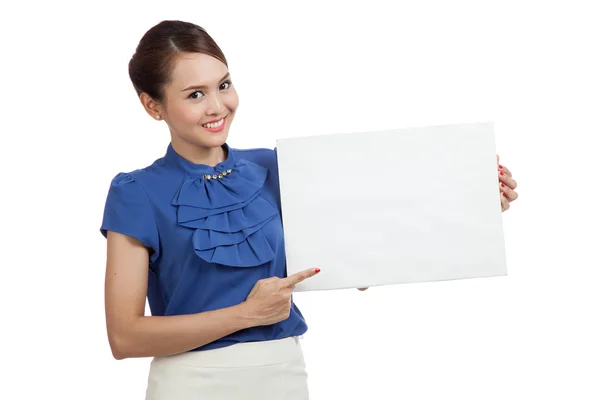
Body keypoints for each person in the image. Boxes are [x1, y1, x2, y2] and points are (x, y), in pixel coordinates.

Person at [100, 20, 519, 400]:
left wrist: (472, 206)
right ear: (153, 106)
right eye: (195, 94)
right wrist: (247, 314)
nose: (217, 106)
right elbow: (125, 337)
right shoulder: (137, 192)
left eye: (223, 85)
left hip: (283, 376)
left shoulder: (274, 168)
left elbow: (358, 257)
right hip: (190, 385)